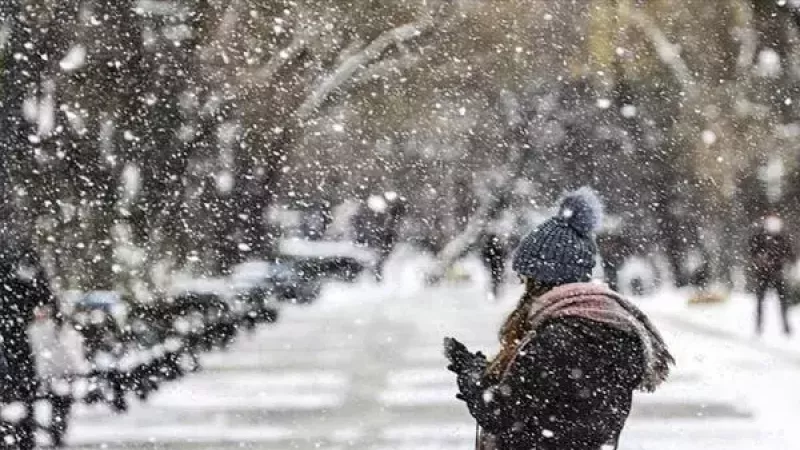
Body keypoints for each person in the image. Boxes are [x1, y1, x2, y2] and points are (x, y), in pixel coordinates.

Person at [444, 188, 674, 450]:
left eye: (527, 278)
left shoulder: (558, 339)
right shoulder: (605, 328)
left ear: (542, 279)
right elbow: (543, 399)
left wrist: (470, 375)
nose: (524, 286)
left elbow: (501, 412)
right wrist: (482, 372)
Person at [0, 239, 56, 450]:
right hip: (16, 340)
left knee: (20, 385)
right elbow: (42, 299)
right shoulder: (20, 282)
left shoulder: (14, 281)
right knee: (24, 387)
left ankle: (22, 429)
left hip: (12, 340)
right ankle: (25, 431)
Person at [749, 215, 795, 336]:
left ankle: (785, 327)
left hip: (777, 274)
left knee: (783, 301)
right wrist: (760, 262)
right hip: (763, 274)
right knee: (761, 301)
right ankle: (759, 326)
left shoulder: (782, 239)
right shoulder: (759, 238)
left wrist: (785, 263)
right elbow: (753, 252)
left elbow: (790, 255)